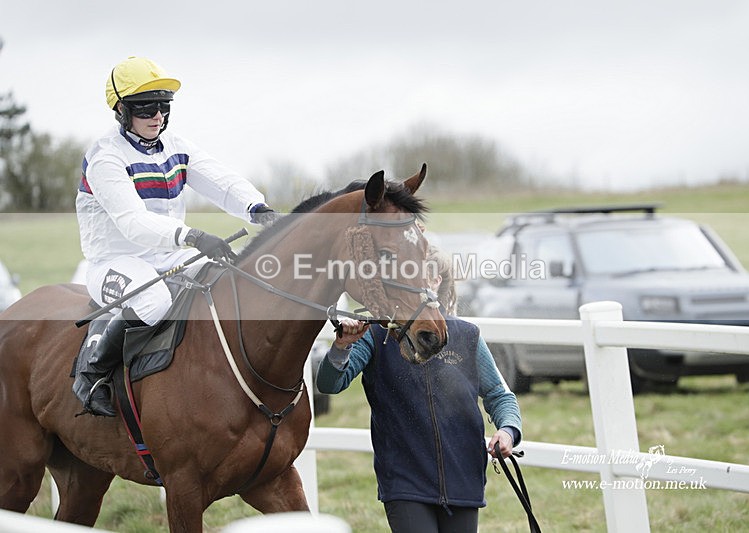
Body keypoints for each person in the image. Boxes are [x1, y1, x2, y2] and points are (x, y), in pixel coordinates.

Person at [74, 56, 278, 417]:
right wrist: (193, 235)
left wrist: (257, 208)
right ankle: (91, 372)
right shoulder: (105, 157)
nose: (158, 116)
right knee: (153, 303)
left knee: (228, 279)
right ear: (121, 110)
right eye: (146, 108)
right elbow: (133, 222)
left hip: (166, 255)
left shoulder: (176, 146)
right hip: (116, 262)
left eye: (164, 106)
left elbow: (221, 181)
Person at [316, 246, 523, 533]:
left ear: (438, 281)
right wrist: (342, 347)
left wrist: (508, 430)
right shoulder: (376, 334)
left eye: (422, 276)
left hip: (463, 478)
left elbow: (500, 395)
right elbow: (330, 384)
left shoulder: (467, 335)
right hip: (404, 482)